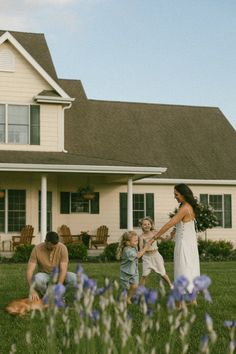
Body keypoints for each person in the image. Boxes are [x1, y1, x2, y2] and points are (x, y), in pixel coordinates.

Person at [153, 184, 200, 299]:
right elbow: (179, 225)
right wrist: (171, 236)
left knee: (183, 268)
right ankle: (193, 300)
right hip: (189, 243)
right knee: (190, 267)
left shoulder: (185, 208)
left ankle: (180, 301)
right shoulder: (187, 206)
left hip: (184, 244)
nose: (175, 197)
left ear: (183, 194)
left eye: (176, 194)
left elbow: (171, 223)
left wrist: (156, 235)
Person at [27, 231, 76, 300]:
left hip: (58, 274)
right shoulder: (36, 249)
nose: (53, 249)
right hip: (45, 275)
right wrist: (32, 290)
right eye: (50, 247)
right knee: (37, 279)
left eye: (54, 247)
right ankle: (47, 295)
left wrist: (59, 286)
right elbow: (29, 271)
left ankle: (60, 295)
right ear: (45, 241)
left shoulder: (63, 248)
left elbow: (63, 270)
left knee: (75, 279)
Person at [117, 230, 150, 304]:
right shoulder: (127, 250)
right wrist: (145, 248)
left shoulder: (133, 247)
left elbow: (138, 252)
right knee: (125, 288)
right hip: (126, 272)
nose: (137, 242)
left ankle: (128, 298)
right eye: (135, 241)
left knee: (135, 286)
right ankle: (122, 298)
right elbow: (138, 256)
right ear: (128, 242)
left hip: (134, 271)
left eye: (137, 240)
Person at [139, 217, 173, 289]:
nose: (147, 225)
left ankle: (171, 285)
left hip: (156, 256)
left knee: (162, 273)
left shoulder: (155, 233)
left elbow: (164, 239)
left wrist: (171, 236)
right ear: (141, 226)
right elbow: (141, 249)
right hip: (147, 257)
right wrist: (138, 255)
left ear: (151, 225)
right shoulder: (141, 237)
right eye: (144, 224)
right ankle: (140, 289)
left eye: (148, 224)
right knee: (144, 275)